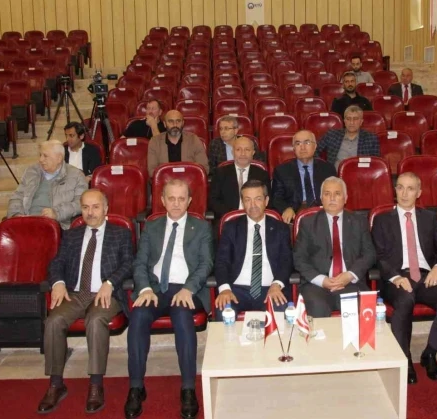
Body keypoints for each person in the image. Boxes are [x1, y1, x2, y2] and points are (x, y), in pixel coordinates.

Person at [37, 189, 134, 414]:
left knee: (96, 319)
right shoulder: (72, 235)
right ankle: (56, 384)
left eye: (96, 207)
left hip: (105, 293)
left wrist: (110, 283)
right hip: (76, 293)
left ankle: (96, 384)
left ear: (106, 208)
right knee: (53, 321)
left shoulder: (120, 233)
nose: (90, 212)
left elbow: (129, 263)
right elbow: (56, 263)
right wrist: (58, 282)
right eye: (86, 207)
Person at [125, 179, 213, 419]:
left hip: (186, 288)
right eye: (171, 198)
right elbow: (140, 263)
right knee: (138, 316)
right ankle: (136, 386)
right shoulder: (151, 227)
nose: (176, 204)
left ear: (189, 201)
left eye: (181, 199)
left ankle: (188, 388)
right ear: (162, 201)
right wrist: (144, 289)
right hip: (154, 289)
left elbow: (206, 264)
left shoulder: (201, 227)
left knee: (182, 316)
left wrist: (189, 288)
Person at [372, 173, 437, 384]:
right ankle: (405, 358)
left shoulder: (429, 218)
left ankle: (430, 353)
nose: (404, 193)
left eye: (410, 188)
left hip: (425, 276)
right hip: (396, 278)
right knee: (405, 300)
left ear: (419, 193)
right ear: (395, 190)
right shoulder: (382, 220)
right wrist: (395, 277)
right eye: (400, 187)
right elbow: (378, 256)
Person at [292, 177, 375, 317]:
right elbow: (299, 258)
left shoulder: (359, 222)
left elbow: (369, 254)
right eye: (327, 194)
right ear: (321, 198)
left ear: (345, 198)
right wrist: (321, 280)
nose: (332, 198)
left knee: (359, 309)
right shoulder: (308, 223)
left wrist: (350, 275)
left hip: (350, 283)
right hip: (316, 285)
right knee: (318, 307)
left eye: (337, 193)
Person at [0, 140, 88, 257]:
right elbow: (17, 196)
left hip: (55, 225)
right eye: (40, 155)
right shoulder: (32, 171)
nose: (41, 159)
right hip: (27, 222)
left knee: (42, 246)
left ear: (59, 158)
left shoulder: (76, 175)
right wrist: (16, 215)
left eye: (45, 156)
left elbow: (80, 203)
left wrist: (57, 213)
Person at [214, 180, 293, 319]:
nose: (253, 205)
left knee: (280, 310)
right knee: (224, 310)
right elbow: (222, 261)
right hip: (237, 289)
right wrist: (225, 289)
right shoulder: (231, 227)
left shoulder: (281, 229)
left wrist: (277, 284)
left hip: (270, 288)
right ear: (242, 203)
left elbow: (286, 261)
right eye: (247, 200)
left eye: (258, 199)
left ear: (266, 201)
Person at [271, 130, 337, 224]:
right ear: (294, 148)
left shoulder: (327, 169)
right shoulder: (282, 170)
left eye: (307, 142)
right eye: (298, 144)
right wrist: (286, 208)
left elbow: (335, 193)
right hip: (295, 214)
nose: (302, 147)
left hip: (323, 212)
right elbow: (276, 198)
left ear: (315, 146)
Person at [208, 136, 270, 221]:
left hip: (255, 218)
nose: (243, 153)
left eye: (247, 150)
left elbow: (267, 201)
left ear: (253, 152)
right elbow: (213, 201)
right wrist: (232, 216)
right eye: (238, 150)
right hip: (228, 219)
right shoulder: (220, 173)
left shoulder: (262, 174)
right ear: (232, 152)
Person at [147, 109, 209, 176]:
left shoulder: (194, 140)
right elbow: (152, 171)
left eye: (178, 121)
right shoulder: (155, 142)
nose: (175, 125)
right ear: (164, 124)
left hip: (188, 180)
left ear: (183, 123)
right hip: (165, 180)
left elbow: (204, 169)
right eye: (171, 121)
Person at [315, 105, 380, 168]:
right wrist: (323, 167)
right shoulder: (332, 135)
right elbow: (314, 150)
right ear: (344, 121)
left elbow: (376, 163)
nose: (351, 122)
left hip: (360, 173)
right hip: (334, 174)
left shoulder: (371, 138)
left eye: (355, 119)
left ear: (361, 122)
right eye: (348, 119)